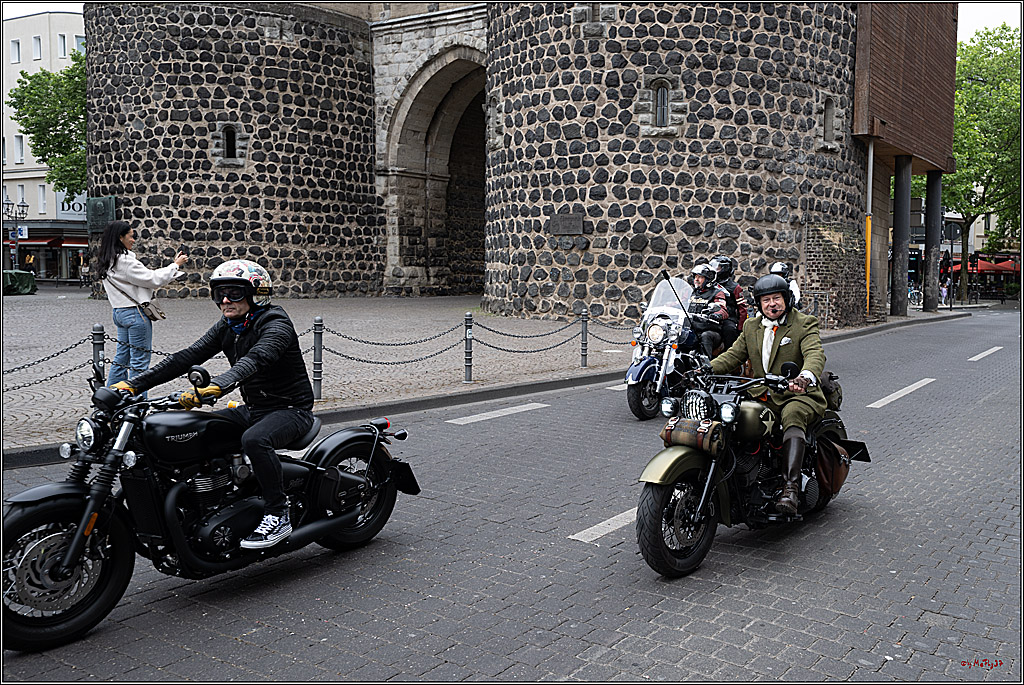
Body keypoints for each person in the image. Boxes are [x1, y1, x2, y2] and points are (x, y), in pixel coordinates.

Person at [112, 260, 315, 549]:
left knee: (255, 440)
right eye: (219, 293)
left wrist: (218, 385)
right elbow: (188, 356)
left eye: (234, 292)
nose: (225, 300)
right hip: (254, 409)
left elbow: (256, 360)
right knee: (200, 429)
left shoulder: (276, 324)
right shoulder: (229, 325)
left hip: (291, 410)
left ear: (256, 293)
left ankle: (277, 513)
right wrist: (134, 384)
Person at [710, 274, 827, 515]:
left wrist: (804, 377)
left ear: (786, 299)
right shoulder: (752, 326)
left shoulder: (804, 323)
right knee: (731, 417)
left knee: (793, 414)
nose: (772, 304)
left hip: (796, 394)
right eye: (766, 300)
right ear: (759, 303)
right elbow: (734, 355)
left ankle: (790, 487)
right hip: (762, 394)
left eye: (776, 298)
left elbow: (815, 354)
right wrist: (705, 368)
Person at [97, 220, 187, 394]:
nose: (133, 240)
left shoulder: (108, 260)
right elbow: (152, 279)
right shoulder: (125, 262)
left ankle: (110, 397)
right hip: (135, 313)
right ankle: (138, 405)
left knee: (121, 359)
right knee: (139, 363)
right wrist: (175, 265)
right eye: (131, 236)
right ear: (120, 237)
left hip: (119, 312)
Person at [686, 263, 730, 358]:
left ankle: (705, 367)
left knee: (705, 336)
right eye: (695, 277)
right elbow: (679, 303)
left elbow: (723, 309)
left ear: (708, 279)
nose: (696, 280)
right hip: (691, 328)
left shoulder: (717, 293)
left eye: (700, 277)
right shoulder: (692, 293)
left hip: (709, 330)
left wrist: (716, 314)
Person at [709, 255, 749, 349]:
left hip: (728, 318)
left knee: (729, 330)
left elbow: (742, 309)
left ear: (725, 268)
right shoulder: (709, 284)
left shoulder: (735, 287)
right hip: (711, 317)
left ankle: (729, 355)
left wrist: (740, 328)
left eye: (717, 268)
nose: (714, 270)